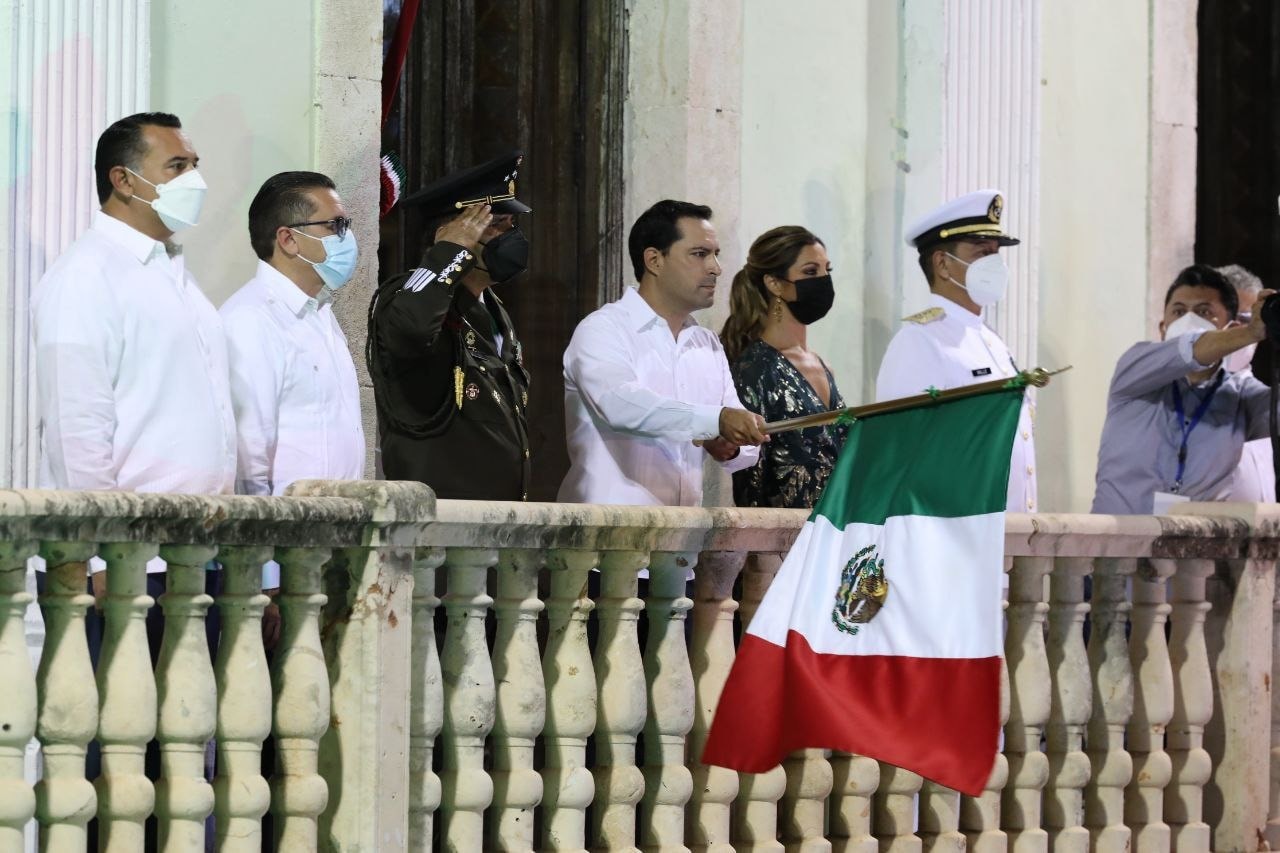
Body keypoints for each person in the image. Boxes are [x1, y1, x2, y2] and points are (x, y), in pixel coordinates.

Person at [31, 110, 232, 849]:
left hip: (194, 562)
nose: (194, 179)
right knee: (115, 772)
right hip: (128, 568)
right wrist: (103, 555)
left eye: (193, 163)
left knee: (180, 769)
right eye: (177, 166)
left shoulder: (175, 276)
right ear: (123, 179)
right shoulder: (86, 276)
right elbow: (78, 429)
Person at [558, 199, 765, 506]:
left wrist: (731, 445)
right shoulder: (602, 329)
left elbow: (740, 439)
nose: (716, 268)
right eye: (700, 254)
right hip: (606, 529)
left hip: (682, 531)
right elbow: (621, 405)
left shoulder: (706, 343)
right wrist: (715, 420)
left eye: (715, 255)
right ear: (654, 260)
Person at [220, 171, 366, 596]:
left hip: (334, 545)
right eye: (335, 225)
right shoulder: (250, 320)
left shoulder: (320, 314)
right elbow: (248, 460)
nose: (346, 238)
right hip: (284, 558)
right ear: (288, 239)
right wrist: (262, 576)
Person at [367, 151, 533, 500]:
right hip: (438, 520)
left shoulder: (494, 310)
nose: (510, 235)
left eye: (511, 224)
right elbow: (411, 329)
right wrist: (447, 253)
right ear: (452, 233)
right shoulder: (407, 296)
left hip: (495, 520)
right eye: (495, 224)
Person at [875, 189, 1037, 513]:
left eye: (996, 253)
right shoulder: (919, 341)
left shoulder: (992, 342)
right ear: (943, 264)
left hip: (1009, 533)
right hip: (958, 530)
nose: (995, 264)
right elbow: (903, 457)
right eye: (982, 253)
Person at [1092, 264, 1275, 514]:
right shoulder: (1136, 367)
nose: (1188, 321)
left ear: (1231, 328)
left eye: (1204, 311)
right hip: (1120, 536)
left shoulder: (1242, 394)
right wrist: (1252, 332)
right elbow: (1191, 348)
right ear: (1162, 327)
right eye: (1178, 311)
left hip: (1194, 538)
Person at [721, 225, 846, 508]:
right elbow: (751, 479)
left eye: (827, 270)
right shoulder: (755, 370)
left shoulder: (822, 365)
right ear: (775, 284)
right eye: (811, 271)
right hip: (784, 531)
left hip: (833, 523)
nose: (823, 281)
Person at [1217, 264, 1275, 502]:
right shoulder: (1162, 393)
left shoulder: (1266, 402)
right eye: (1229, 319)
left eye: (1246, 321)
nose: (1238, 331)